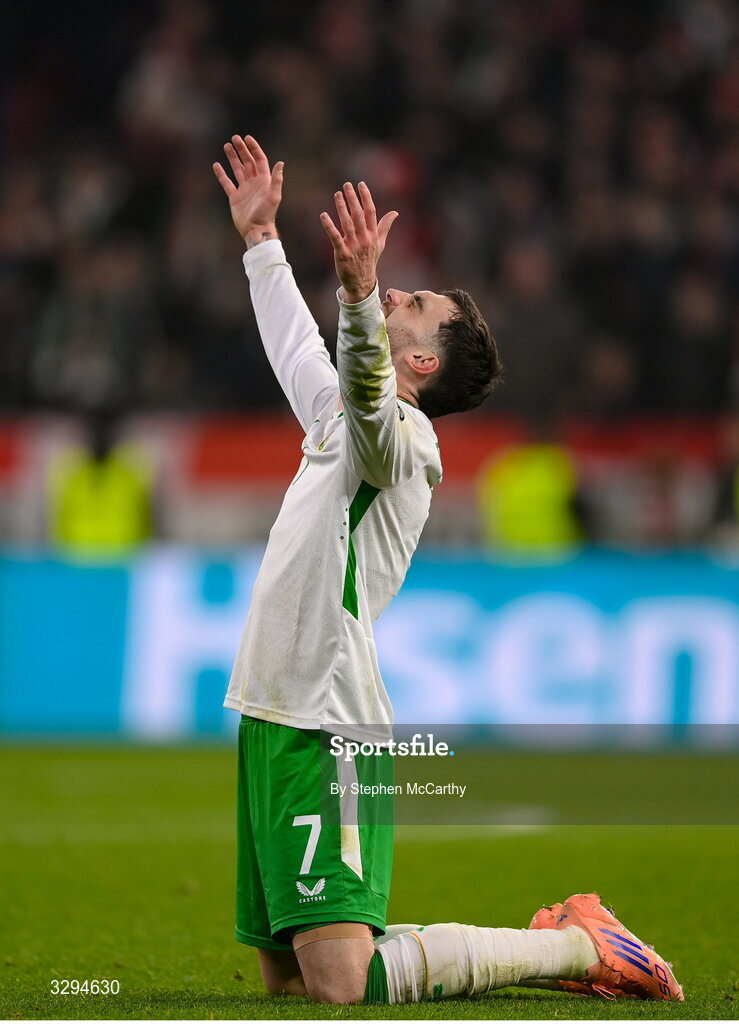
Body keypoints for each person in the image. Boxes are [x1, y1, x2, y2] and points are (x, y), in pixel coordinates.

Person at [213, 134, 683, 1005]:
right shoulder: (347, 422)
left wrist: (357, 299)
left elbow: (363, 396)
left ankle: (576, 947)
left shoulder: (407, 439)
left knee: (341, 984)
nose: (395, 289)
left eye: (413, 301)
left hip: (327, 717)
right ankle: (561, 944)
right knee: (284, 976)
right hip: (271, 702)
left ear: (421, 362)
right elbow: (300, 358)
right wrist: (261, 243)